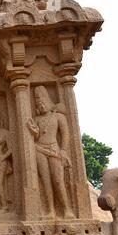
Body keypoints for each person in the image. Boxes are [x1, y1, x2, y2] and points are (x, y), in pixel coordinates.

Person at [28, 86, 75, 219]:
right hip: (39, 149)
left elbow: (65, 134)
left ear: (48, 101)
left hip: (54, 149)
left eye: (42, 101)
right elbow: (36, 136)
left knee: (58, 180)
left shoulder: (58, 116)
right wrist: (34, 132)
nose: (40, 104)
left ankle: (67, 209)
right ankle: (51, 210)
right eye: (37, 102)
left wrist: (64, 150)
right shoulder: (37, 119)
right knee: (46, 181)